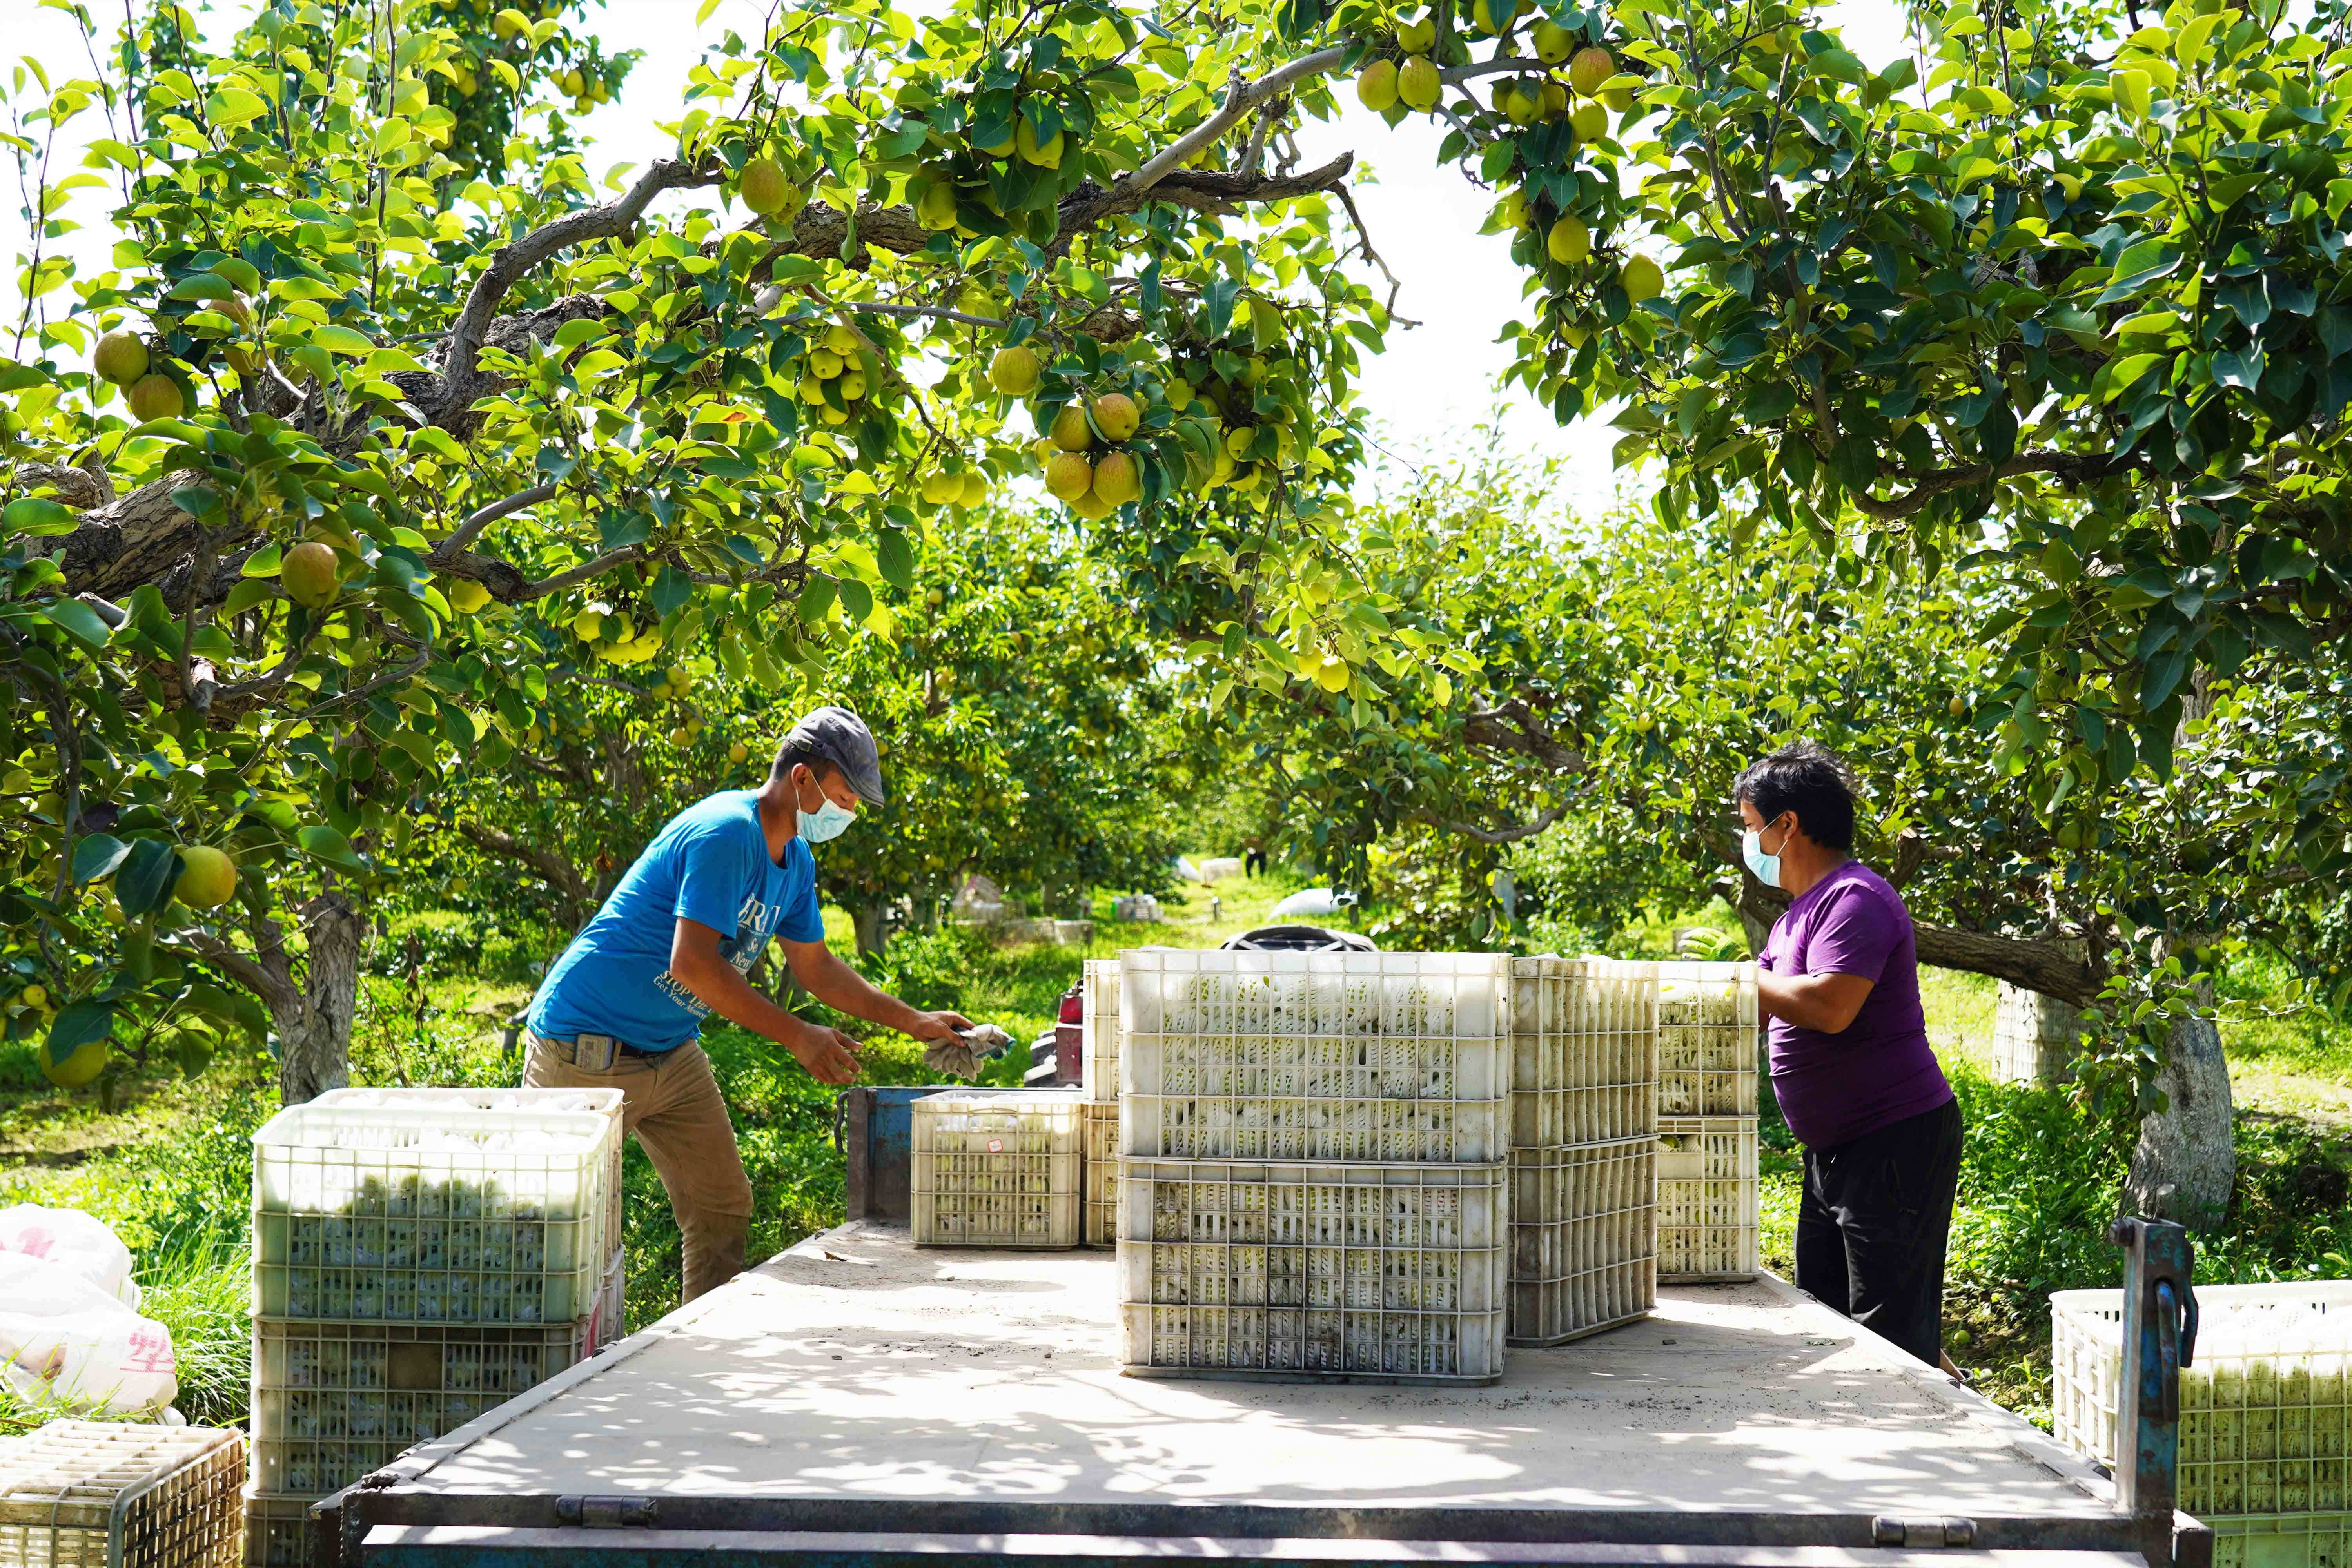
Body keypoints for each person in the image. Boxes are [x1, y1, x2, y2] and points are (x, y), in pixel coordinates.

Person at [523, 705, 973, 1303]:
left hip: (670, 1051)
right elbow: (693, 964)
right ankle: (547, 1372)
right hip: (585, 1049)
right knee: (555, 1228)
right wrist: (795, 1034)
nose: (849, 813)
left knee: (721, 1205)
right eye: (846, 796)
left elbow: (816, 968)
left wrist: (913, 1021)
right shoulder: (727, 833)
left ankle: (693, 1349)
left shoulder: (795, 861)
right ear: (804, 780)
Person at [1735, 741, 1961, 1370]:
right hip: (1833, 1151)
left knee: (1891, 1335)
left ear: (1789, 825)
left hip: (1892, 1143)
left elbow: (1831, 1006)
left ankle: (1941, 1445)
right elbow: (1753, 1007)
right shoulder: (1793, 919)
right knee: (1829, 1317)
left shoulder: (1856, 899)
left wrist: (1745, 983)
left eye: (1753, 828)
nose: (1748, 845)